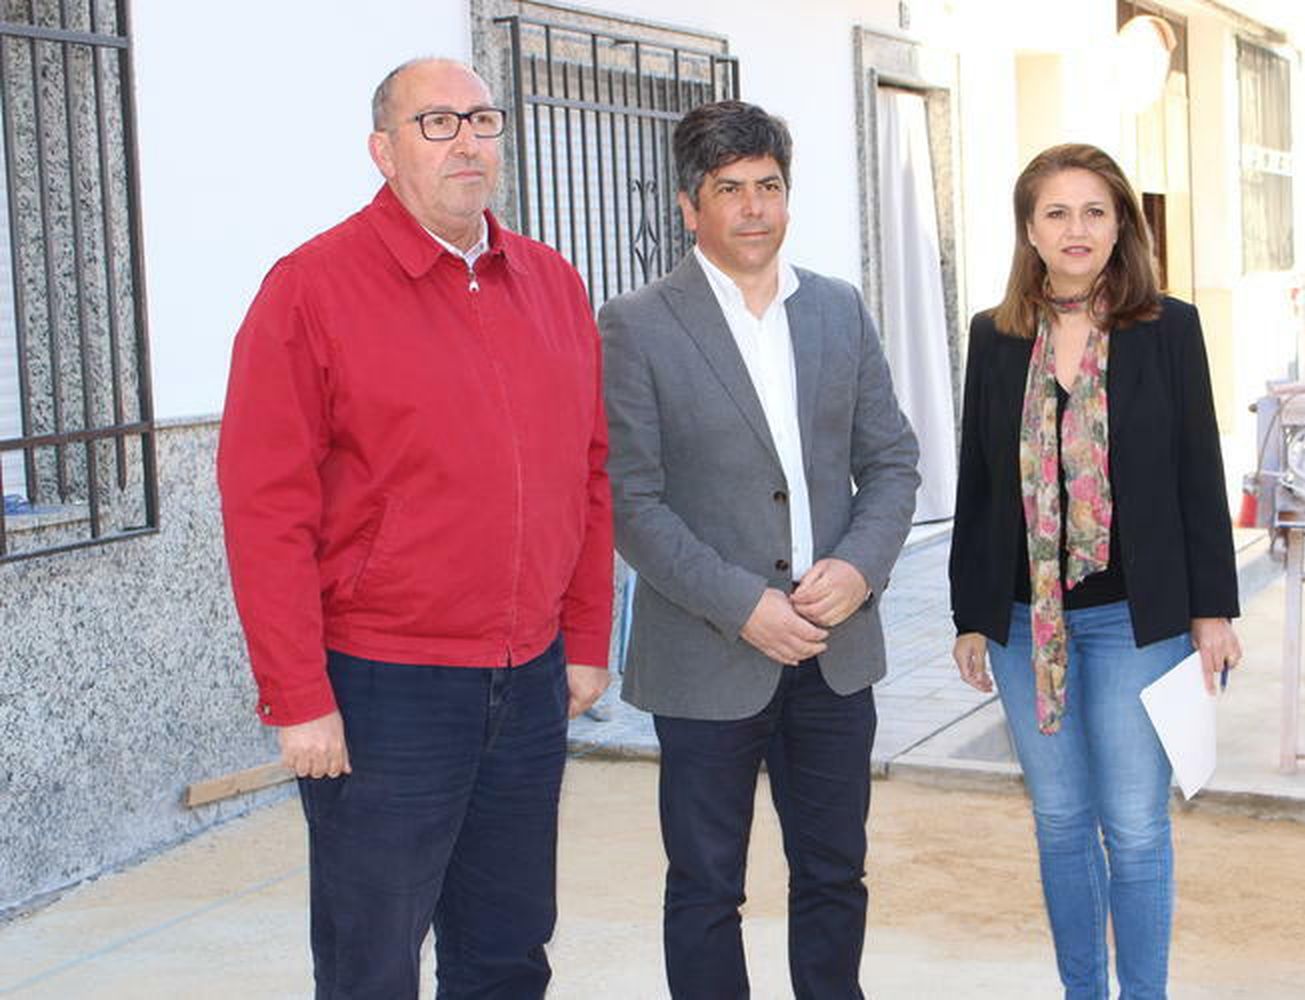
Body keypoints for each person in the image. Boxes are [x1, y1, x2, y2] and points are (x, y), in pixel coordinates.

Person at [217, 58, 612, 998]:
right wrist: (297, 693)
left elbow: (590, 473)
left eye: (481, 118)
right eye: (435, 123)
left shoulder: (553, 284)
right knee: (372, 958)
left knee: (508, 950)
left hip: (529, 680)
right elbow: (264, 504)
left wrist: (586, 637)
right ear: (382, 151)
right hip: (385, 687)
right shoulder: (310, 289)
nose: (467, 141)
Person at [600, 100, 919, 999]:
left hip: (834, 650)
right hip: (708, 655)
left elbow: (892, 461)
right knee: (704, 887)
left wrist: (859, 568)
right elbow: (634, 499)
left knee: (834, 875)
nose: (753, 209)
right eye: (729, 189)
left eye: (769, 187)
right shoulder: (636, 323)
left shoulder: (838, 310)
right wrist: (744, 606)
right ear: (686, 204)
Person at [948, 143, 1242, 999]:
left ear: (1121, 226)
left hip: (1134, 618)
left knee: (1138, 829)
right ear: (1029, 232)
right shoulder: (994, 338)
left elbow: (1198, 468)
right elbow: (979, 482)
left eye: (1094, 212)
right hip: (1021, 619)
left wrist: (1213, 610)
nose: (1076, 230)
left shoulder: (1169, 329)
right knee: (1061, 822)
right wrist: (971, 615)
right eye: (1056, 213)